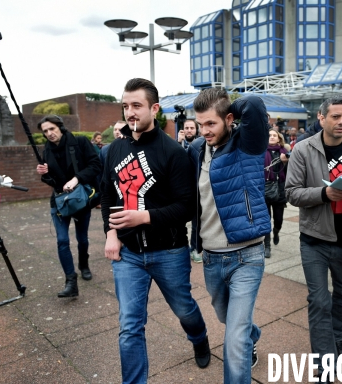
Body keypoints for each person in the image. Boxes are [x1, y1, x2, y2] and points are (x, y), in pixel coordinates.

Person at [101, 78, 210, 383]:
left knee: (184, 309)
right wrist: (111, 234)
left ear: (154, 108)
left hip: (169, 251)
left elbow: (187, 207)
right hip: (129, 256)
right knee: (129, 325)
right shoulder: (114, 150)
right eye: (125, 106)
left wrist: (143, 217)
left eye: (136, 105)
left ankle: (199, 338)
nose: (130, 112)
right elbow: (109, 196)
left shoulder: (173, 152)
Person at [285, 95, 342, 383]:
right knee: (318, 299)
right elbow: (292, 193)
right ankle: (325, 364)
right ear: (321, 117)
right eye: (336, 116)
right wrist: (324, 194)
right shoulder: (302, 150)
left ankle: (340, 339)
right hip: (314, 237)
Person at [188, 88, 271, 383]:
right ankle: (253, 333)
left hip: (247, 255)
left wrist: (225, 104)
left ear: (229, 119)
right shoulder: (197, 150)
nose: (204, 130)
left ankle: (245, 340)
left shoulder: (247, 144)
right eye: (200, 124)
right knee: (228, 318)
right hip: (210, 256)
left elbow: (255, 104)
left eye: (211, 123)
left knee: (234, 340)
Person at [35, 115, 101, 296]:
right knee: (62, 240)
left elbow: (96, 165)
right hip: (59, 201)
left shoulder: (79, 142)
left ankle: (84, 264)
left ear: (60, 128)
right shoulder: (47, 151)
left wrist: (76, 179)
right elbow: (51, 180)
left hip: (80, 199)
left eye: (52, 129)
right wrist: (43, 173)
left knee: (82, 239)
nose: (49, 133)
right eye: (45, 131)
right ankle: (71, 281)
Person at [177, 118, 202, 263]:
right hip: (181, 190)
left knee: (196, 222)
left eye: (192, 128)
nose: (189, 130)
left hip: (197, 189)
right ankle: (181, 247)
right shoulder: (177, 144)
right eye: (186, 128)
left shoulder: (200, 144)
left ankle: (195, 248)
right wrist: (178, 142)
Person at [264, 128, 290, 258]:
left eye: (275, 135)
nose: (272, 137)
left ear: (279, 138)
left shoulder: (285, 152)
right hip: (266, 189)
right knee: (266, 220)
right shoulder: (261, 152)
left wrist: (286, 162)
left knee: (278, 219)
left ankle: (276, 231)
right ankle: (267, 246)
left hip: (280, 190)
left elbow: (292, 173)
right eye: (269, 135)